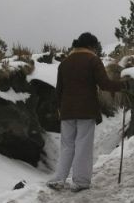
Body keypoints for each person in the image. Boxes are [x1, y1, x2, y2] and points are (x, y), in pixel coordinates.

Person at [48, 32, 125, 191]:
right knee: (83, 145)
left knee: (67, 145)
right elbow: (104, 84)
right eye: (95, 47)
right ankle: (81, 181)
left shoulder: (65, 63)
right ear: (90, 46)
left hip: (67, 111)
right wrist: (124, 85)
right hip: (86, 110)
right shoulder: (93, 60)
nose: (96, 50)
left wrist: (60, 109)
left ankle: (59, 179)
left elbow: (59, 91)